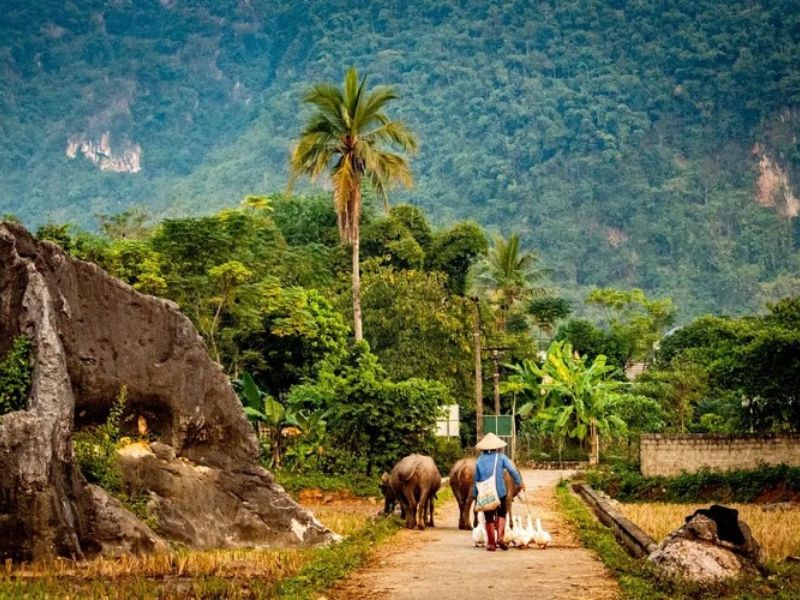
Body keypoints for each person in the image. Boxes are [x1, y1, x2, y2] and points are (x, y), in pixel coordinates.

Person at [472, 433, 525, 551]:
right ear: (497, 447)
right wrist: (519, 482)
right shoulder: (501, 457)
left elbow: (476, 478)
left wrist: (475, 494)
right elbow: (512, 470)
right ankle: (500, 537)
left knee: (489, 517)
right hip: (500, 491)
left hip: (486, 493)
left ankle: (491, 543)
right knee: (502, 513)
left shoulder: (479, 460)